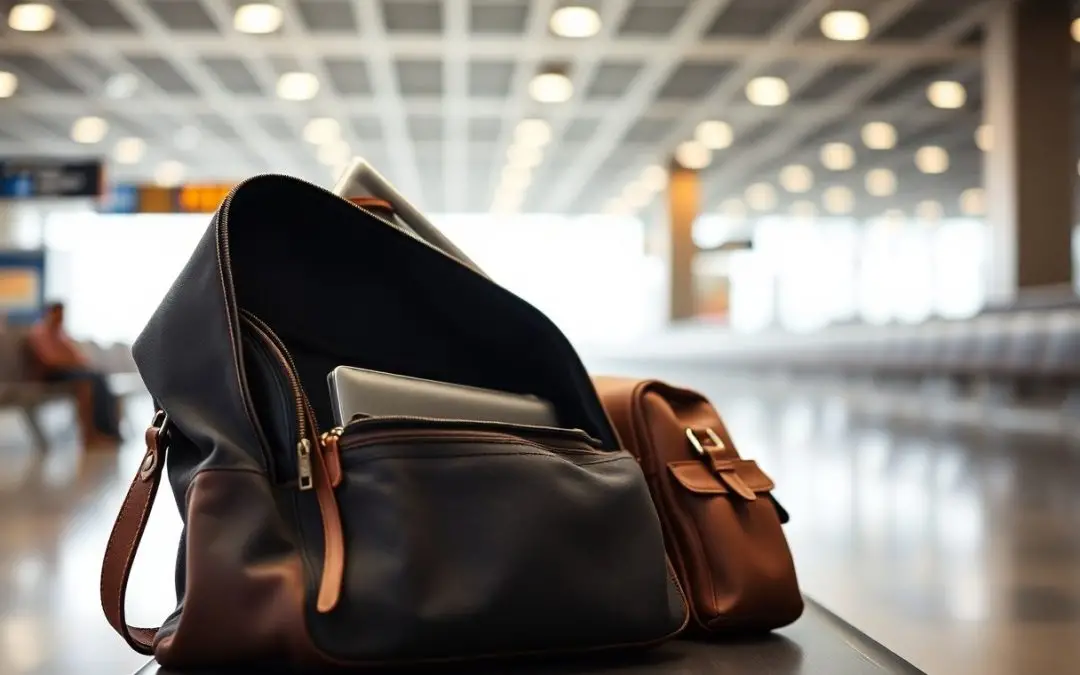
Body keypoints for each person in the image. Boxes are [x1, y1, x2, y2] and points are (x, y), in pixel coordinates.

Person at [27, 302, 120, 447]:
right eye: (57, 314)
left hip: (68, 371)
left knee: (99, 378)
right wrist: (70, 360)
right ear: (49, 313)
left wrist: (75, 361)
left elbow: (77, 357)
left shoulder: (61, 334)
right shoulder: (39, 332)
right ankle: (90, 435)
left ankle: (107, 430)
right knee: (86, 383)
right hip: (51, 376)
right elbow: (49, 361)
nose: (60, 318)